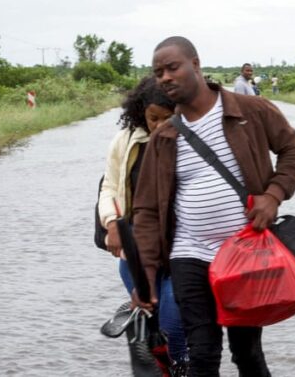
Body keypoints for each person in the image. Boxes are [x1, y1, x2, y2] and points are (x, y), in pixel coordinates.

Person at [132, 37, 295, 376]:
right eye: (158, 72)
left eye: (172, 67)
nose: (165, 77)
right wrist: (147, 275)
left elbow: (294, 150)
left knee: (247, 353)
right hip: (189, 252)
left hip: (244, 253)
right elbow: (146, 211)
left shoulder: (251, 111)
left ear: (195, 64)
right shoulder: (164, 137)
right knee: (202, 353)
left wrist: (273, 196)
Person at [97, 76, 188, 375]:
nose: (160, 126)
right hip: (137, 249)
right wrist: (112, 223)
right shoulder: (126, 141)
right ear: (141, 113)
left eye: (168, 117)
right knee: (154, 323)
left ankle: (182, 367)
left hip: (181, 247)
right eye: (153, 118)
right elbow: (110, 186)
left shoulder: (193, 141)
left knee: (173, 324)